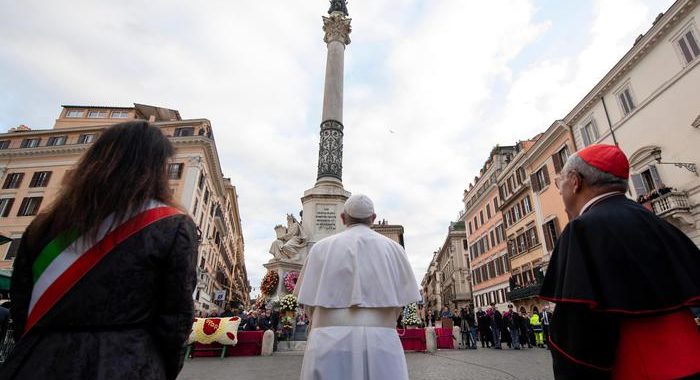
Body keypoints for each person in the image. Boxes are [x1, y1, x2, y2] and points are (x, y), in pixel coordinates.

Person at [0, 121, 197, 380]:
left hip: (38, 360)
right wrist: (161, 368)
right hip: (127, 361)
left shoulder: (43, 227)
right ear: (158, 169)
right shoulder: (172, 226)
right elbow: (176, 318)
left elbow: (21, 304)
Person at [540, 144, 700, 379]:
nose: (560, 191)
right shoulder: (658, 223)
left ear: (575, 181)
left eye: (559, 183)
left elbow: (577, 335)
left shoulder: (582, 230)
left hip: (634, 369)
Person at [295, 194, 420, 380]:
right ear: (373, 218)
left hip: (327, 342)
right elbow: (402, 303)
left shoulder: (320, 249)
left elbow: (307, 304)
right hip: (382, 341)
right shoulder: (395, 249)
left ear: (343, 218)